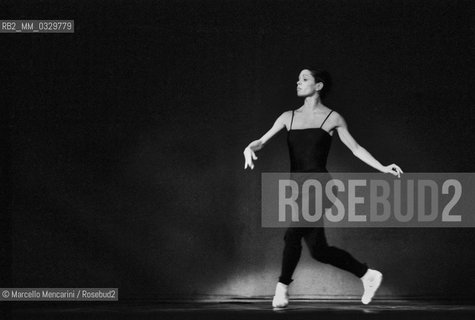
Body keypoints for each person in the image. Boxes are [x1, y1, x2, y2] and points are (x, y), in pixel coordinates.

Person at [243, 68, 403, 308]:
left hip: (321, 186)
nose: (298, 82)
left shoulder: (333, 118)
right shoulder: (288, 116)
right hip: (297, 189)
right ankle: (368, 275)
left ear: (318, 86)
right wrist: (249, 147)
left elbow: (356, 148)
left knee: (292, 233)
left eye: (304, 79)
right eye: (297, 78)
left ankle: (281, 290)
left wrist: (381, 167)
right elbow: (261, 141)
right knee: (319, 250)